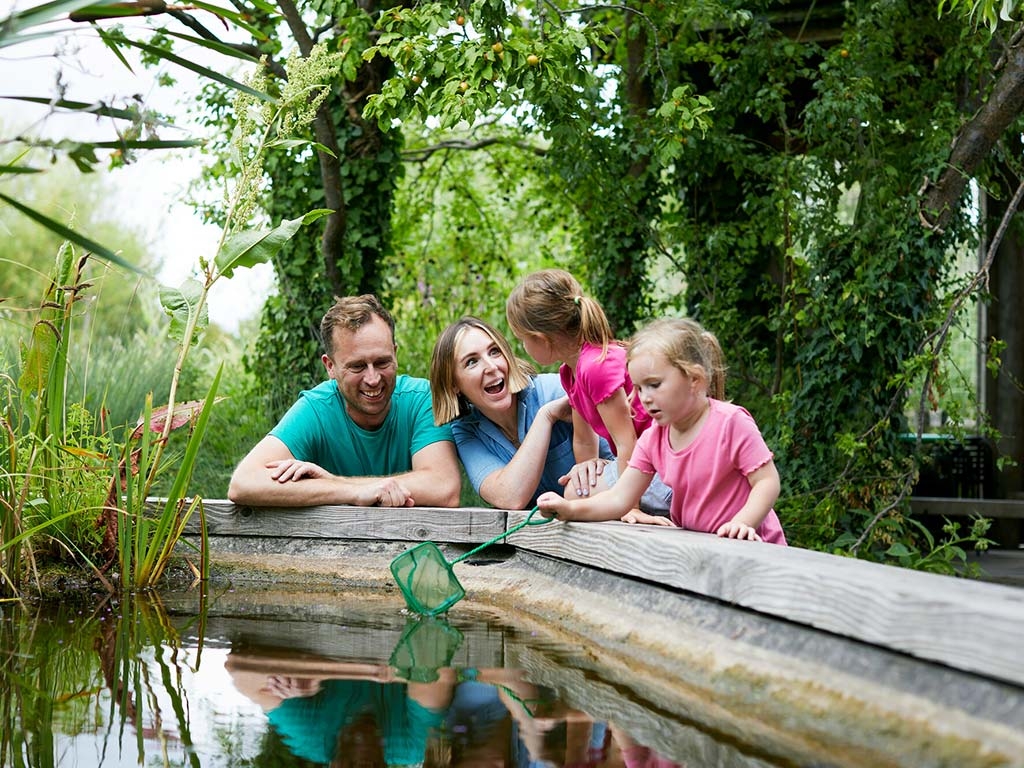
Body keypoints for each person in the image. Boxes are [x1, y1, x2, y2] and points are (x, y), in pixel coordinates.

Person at [537, 317, 787, 545]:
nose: (643, 398)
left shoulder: (731, 423)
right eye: (637, 387)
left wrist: (742, 522)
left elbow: (767, 481)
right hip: (702, 549)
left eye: (653, 385)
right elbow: (619, 498)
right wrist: (570, 510)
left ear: (695, 379)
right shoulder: (653, 438)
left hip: (755, 547)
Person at [228, 294, 462, 508]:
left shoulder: (422, 398)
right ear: (330, 366)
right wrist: (351, 493)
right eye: (357, 366)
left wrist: (336, 482)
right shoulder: (317, 409)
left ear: (395, 353)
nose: (373, 379)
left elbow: (443, 487)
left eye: (382, 362)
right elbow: (244, 482)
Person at [505, 269, 671, 515]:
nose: (523, 347)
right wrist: (586, 473)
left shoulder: (596, 367)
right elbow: (583, 440)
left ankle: (670, 502)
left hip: (665, 464)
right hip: (643, 464)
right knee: (576, 490)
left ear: (541, 339)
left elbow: (628, 443)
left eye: (522, 340)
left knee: (577, 497)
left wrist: (629, 508)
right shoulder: (570, 372)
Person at [429, 316, 613, 509]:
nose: (491, 367)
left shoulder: (558, 391)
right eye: (472, 362)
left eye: (494, 352)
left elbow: (626, 456)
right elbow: (509, 497)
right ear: (453, 384)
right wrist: (546, 417)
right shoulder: (466, 431)